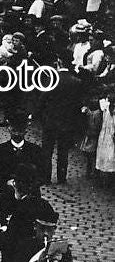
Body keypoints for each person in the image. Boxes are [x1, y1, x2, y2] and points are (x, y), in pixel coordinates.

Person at [0, 110, 44, 226]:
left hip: (30, 201)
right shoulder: (0, 150)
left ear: (26, 131)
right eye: (14, 130)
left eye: (20, 131)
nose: (17, 134)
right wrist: (5, 183)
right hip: (6, 200)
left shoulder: (35, 151)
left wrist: (29, 185)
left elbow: (43, 174)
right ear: (9, 129)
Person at [37, 52, 83, 185]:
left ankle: (46, 178)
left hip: (50, 120)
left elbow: (42, 100)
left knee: (47, 150)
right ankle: (61, 178)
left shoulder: (52, 79)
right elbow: (78, 104)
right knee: (63, 150)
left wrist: (41, 116)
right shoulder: (76, 81)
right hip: (67, 122)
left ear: (59, 62)